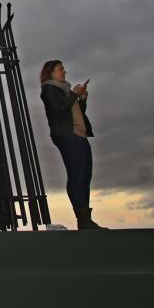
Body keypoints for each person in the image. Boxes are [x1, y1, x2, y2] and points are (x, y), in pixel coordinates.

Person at [39, 60, 106, 230]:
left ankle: (86, 219)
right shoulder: (49, 89)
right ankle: (82, 219)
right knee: (76, 175)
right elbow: (59, 110)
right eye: (60, 69)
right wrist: (74, 95)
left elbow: (77, 112)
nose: (64, 72)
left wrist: (82, 99)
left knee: (85, 176)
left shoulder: (67, 91)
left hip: (80, 135)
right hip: (67, 136)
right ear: (51, 72)